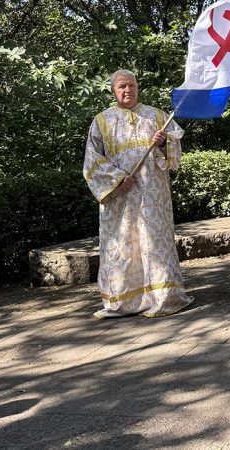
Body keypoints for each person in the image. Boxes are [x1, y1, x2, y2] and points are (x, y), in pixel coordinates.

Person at [83, 70, 193, 318]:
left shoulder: (156, 116)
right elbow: (91, 162)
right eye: (122, 86)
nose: (127, 91)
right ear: (113, 90)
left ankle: (164, 297)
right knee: (123, 245)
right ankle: (124, 301)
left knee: (154, 241)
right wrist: (116, 179)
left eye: (131, 85)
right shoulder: (102, 121)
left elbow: (175, 149)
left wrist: (164, 142)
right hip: (120, 197)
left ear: (138, 87)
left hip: (153, 196)